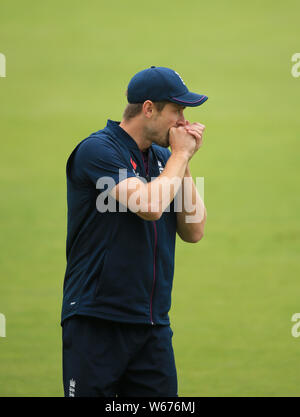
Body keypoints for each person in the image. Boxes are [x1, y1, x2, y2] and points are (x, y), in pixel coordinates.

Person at [61, 66, 208, 397]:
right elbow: (150, 206)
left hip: (152, 326)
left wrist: (180, 161)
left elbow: (195, 229)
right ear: (148, 109)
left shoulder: (163, 159)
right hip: (97, 321)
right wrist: (180, 155)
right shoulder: (98, 151)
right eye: (177, 111)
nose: (184, 122)